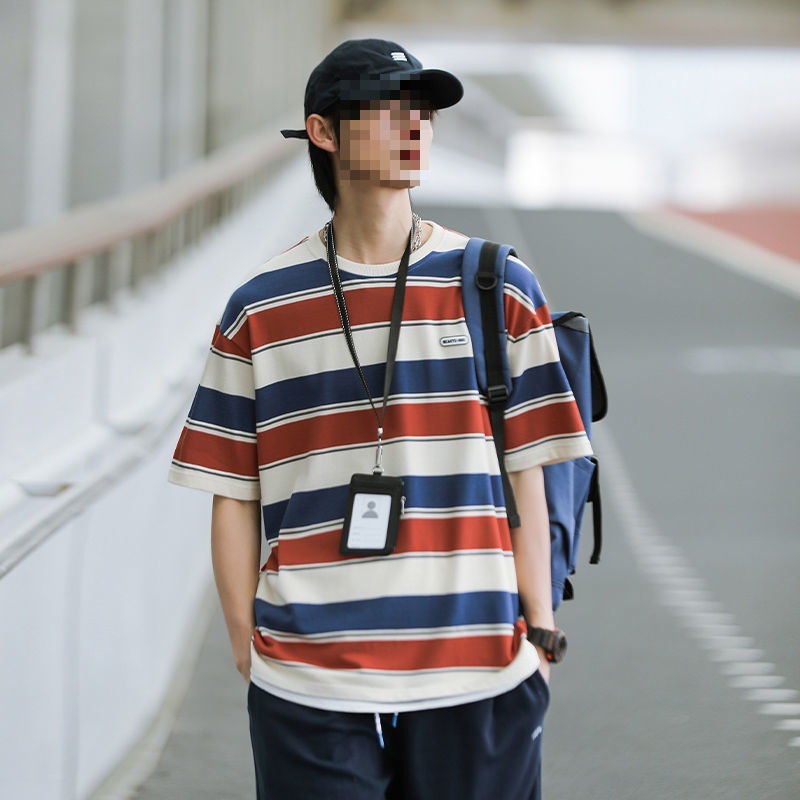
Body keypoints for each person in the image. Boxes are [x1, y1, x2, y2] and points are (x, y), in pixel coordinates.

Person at [167, 37, 593, 800]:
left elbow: (530, 470)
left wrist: (539, 632)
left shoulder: (498, 285)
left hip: (478, 664)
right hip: (309, 675)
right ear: (323, 132)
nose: (414, 126)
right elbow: (232, 493)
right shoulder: (260, 306)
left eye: (421, 111)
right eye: (386, 111)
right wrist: (246, 647)